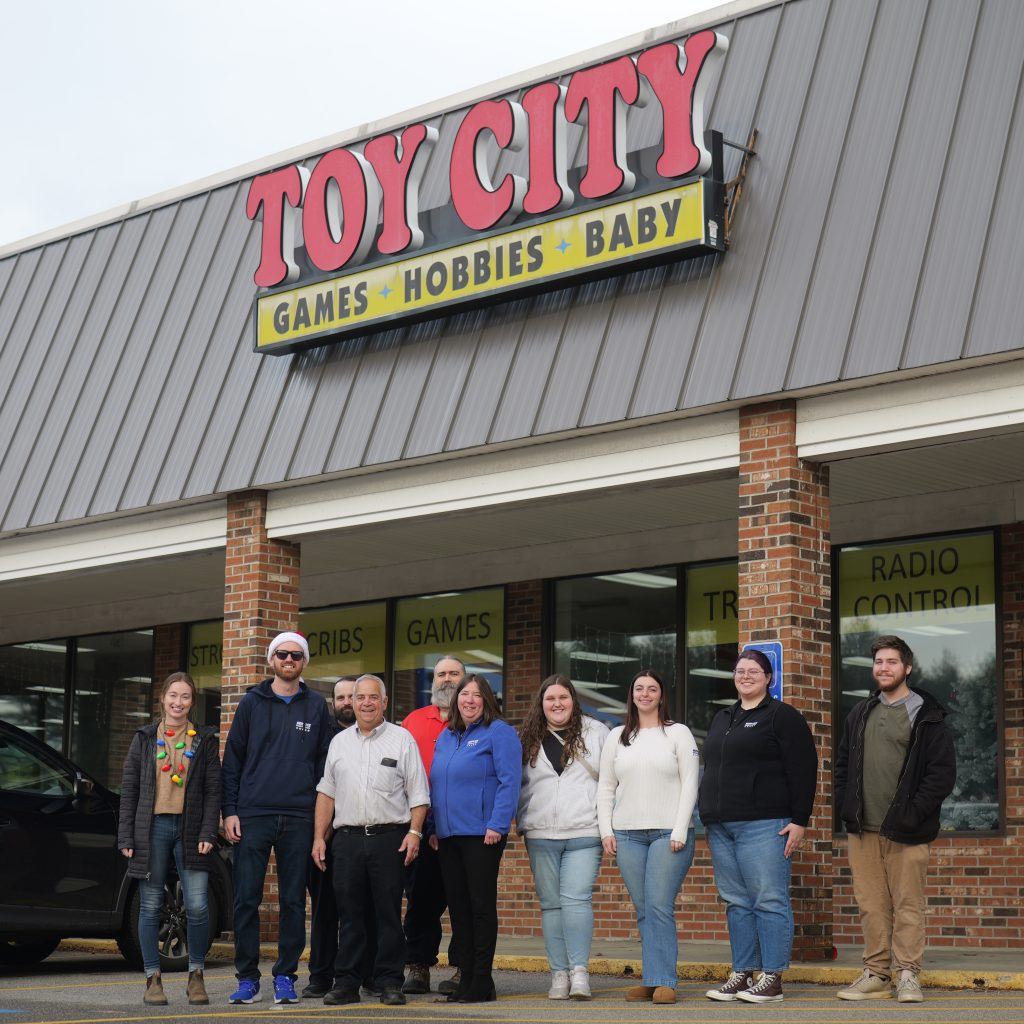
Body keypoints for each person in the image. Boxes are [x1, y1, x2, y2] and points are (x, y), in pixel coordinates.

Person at [835, 635, 956, 1004]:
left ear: (907, 667)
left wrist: (913, 813)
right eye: (878, 663)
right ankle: (876, 974)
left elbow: (940, 775)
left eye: (891, 662)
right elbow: (842, 765)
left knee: (907, 904)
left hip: (908, 829)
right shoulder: (860, 712)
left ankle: (907, 975)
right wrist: (844, 804)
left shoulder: (926, 714)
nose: (883, 668)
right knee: (871, 904)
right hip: (863, 828)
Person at [221, 631, 335, 1005]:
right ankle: (247, 978)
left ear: (304, 663)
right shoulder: (252, 703)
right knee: (246, 899)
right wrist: (230, 810)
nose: (289, 661)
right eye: (282, 655)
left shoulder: (317, 706)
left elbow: (325, 769)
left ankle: (285, 976)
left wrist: (321, 820)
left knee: (291, 902)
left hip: (300, 815)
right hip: (253, 814)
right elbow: (233, 760)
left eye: (296, 655)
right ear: (271, 660)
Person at [699, 650, 818, 1004]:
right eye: (740, 671)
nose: (746, 676)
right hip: (722, 826)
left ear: (769, 678)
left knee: (769, 899)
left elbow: (804, 769)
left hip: (765, 823)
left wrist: (800, 820)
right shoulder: (723, 717)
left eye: (754, 671)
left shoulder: (782, 717)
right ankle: (743, 973)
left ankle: (772, 977)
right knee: (736, 901)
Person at [312, 674, 429, 1007]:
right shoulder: (340, 742)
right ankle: (346, 981)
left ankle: (389, 981)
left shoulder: (402, 739)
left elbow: (419, 793)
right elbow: (326, 793)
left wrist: (415, 832)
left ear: (384, 702)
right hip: (346, 840)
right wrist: (319, 837)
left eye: (372, 697)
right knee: (349, 915)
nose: (364, 703)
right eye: (359, 697)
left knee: (389, 914)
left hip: (388, 838)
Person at [118, 672, 221, 1006]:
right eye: (173, 696)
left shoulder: (204, 738)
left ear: (193, 701)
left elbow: (212, 790)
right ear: (162, 699)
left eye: (186, 697)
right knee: (149, 906)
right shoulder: (145, 737)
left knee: (197, 904)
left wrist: (208, 831)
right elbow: (130, 789)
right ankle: (153, 979)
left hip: (191, 831)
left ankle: (196, 976)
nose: (179, 703)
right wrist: (126, 835)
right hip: (152, 829)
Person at [597, 670, 699, 1005]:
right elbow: (606, 786)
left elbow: (690, 783)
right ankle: (652, 978)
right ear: (632, 695)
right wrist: (606, 830)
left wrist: (681, 828)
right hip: (627, 834)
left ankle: (665, 980)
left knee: (658, 905)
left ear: (660, 695)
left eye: (651, 688)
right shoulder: (618, 736)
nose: (644, 693)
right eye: (638, 688)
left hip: (668, 832)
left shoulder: (677, 733)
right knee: (643, 908)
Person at [430, 674, 522, 1003]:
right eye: (463, 694)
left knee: (480, 907)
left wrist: (498, 823)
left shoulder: (499, 732)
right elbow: (436, 784)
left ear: (487, 700)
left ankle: (481, 980)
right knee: (459, 910)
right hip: (448, 836)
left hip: (482, 834)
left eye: (476, 694)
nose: (469, 700)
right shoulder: (447, 736)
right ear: (455, 701)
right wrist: (432, 828)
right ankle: (466, 977)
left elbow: (510, 781)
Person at [517, 674, 609, 1000]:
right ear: (541, 704)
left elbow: (611, 782)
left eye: (563, 697)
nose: (557, 704)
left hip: (585, 830)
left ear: (573, 699)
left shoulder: (597, 733)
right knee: (551, 905)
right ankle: (558, 974)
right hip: (541, 833)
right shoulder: (528, 738)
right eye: (550, 699)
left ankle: (580, 972)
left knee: (576, 900)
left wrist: (608, 826)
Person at [304, 676, 378, 1000]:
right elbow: (320, 788)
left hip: (360, 835)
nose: (348, 702)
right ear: (333, 703)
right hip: (323, 836)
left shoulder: (375, 737)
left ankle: (369, 974)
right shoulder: (325, 740)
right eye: (342, 697)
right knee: (324, 910)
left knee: (366, 908)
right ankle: (321, 975)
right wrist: (320, 831)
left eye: (353, 696)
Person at [401, 654, 466, 995]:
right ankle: (418, 966)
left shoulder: (473, 718)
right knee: (421, 901)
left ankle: (461, 968)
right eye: (441, 674)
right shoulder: (412, 721)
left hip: (461, 828)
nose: (446, 679)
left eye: (454, 673)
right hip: (421, 827)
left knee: (463, 902)